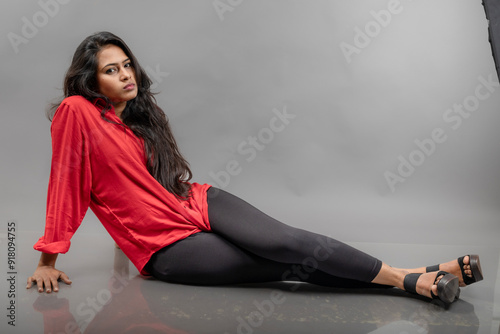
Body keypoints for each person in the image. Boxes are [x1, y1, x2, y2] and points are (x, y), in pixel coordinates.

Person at [27, 32, 483, 306]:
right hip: (164, 245)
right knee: (284, 267)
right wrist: (49, 257)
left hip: (196, 201)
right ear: (91, 80)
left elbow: (139, 182)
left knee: (289, 241)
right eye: (112, 70)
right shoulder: (76, 111)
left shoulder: (139, 118)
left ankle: (413, 276)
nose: (126, 75)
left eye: (128, 65)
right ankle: (416, 280)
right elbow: (67, 183)